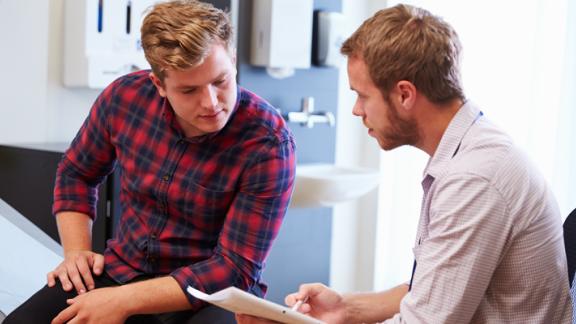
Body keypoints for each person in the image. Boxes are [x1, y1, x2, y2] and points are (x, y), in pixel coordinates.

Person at [237, 4, 572, 324]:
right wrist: (345, 308)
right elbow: (431, 293)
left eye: (363, 95)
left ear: (405, 95)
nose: (356, 110)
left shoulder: (474, 178)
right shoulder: (471, 148)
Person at [5, 1, 295, 323]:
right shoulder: (124, 98)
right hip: (120, 271)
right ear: (158, 84)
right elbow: (77, 173)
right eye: (189, 90)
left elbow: (234, 269)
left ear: (233, 61)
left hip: (210, 297)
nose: (211, 102)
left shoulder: (268, 143)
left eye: (220, 81)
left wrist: (122, 301)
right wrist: (77, 254)